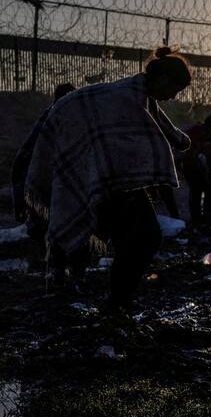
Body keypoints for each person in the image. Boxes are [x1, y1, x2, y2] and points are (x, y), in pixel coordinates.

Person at [25, 47, 191, 309]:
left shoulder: (138, 96)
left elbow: (161, 130)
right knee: (146, 237)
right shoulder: (127, 97)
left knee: (136, 237)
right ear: (163, 79)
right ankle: (116, 302)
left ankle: (116, 299)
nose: (173, 96)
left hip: (105, 175)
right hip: (95, 170)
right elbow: (143, 140)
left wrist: (181, 140)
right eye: (175, 90)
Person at [11, 83, 91, 290]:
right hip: (58, 188)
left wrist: (20, 200)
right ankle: (69, 276)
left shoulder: (52, 120)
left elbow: (22, 160)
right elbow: (24, 160)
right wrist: (21, 200)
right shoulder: (59, 121)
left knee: (62, 232)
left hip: (58, 188)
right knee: (70, 231)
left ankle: (64, 276)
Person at [182, 114, 211, 225]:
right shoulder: (196, 133)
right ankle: (201, 220)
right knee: (198, 194)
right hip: (193, 168)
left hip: (199, 169)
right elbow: (189, 151)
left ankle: (204, 220)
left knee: (201, 194)